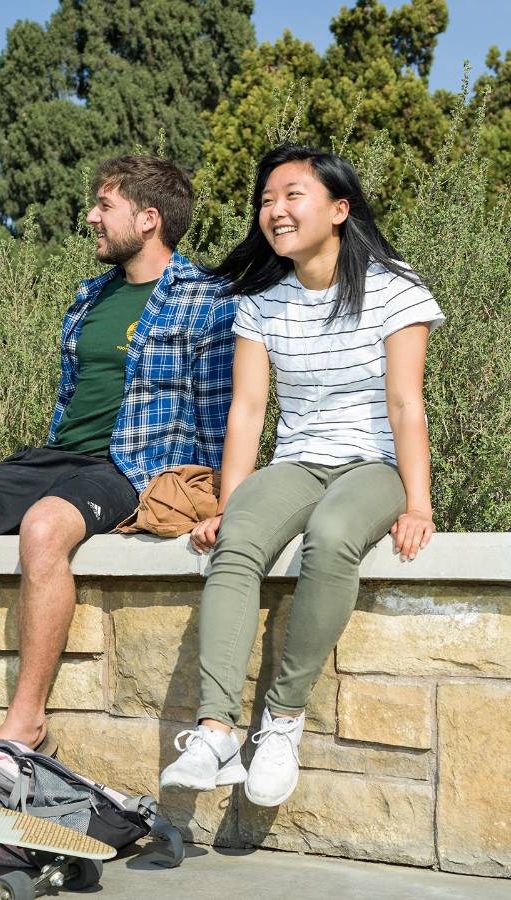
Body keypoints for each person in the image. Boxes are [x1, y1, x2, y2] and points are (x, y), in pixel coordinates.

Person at [0, 155, 235, 754]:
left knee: (43, 528)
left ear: (148, 218)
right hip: (57, 456)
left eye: (104, 206)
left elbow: (221, 416)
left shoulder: (208, 301)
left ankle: (27, 719)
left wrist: (221, 502)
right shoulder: (91, 296)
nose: (91, 216)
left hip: (130, 468)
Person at [161, 143, 444, 807]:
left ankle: (282, 720)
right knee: (235, 546)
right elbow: (249, 411)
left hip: (373, 465)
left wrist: (421, 505)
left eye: (292, 195)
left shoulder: (395, 288)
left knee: (333, 534)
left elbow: (406, 403)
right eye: (266, 199)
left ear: (339, 209)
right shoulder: (263, 303)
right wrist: (230, 506)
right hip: (298, 462)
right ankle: (217, 733)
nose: (275, 210)